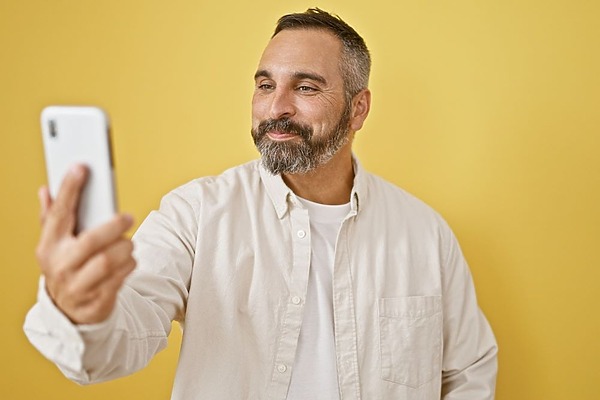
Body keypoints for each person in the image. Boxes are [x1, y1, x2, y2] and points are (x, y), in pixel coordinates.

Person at [24, 8, 498, 400]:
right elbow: (120, 338)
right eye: (266, 85)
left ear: (358, 108)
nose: (276, 107)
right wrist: (79, 309)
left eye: (306, 87)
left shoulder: (424, 233)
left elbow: (468, 373)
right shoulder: (196, 213)